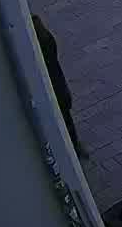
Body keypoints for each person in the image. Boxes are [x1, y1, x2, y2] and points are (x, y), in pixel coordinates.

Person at [31, 14, 87, 159]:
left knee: (60, 122)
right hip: (60, 88)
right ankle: (75, 146)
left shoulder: (39, 49)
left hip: (53, 91)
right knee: (67, 119)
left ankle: (69, 148)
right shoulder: (48, 40)